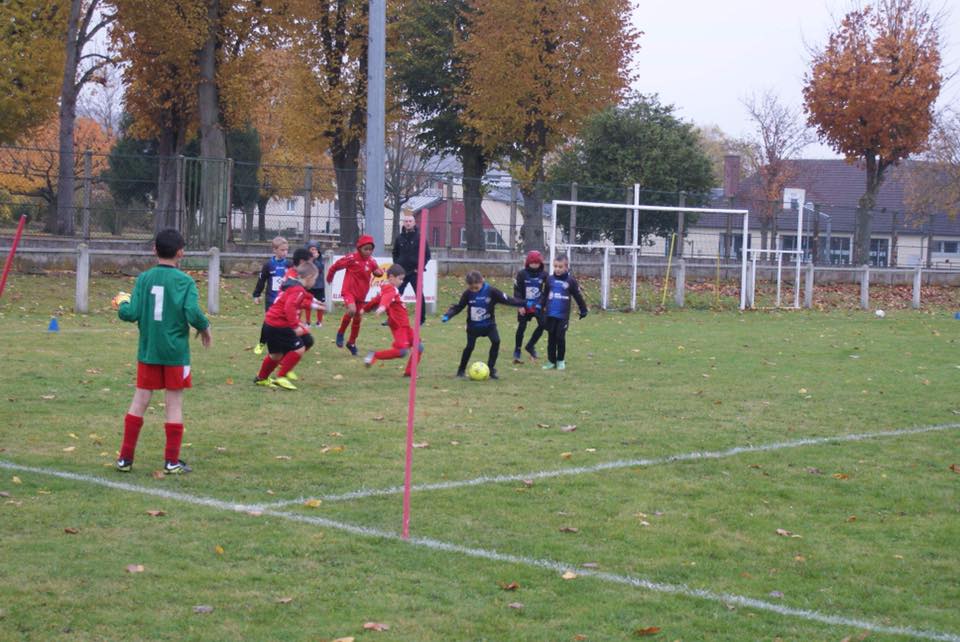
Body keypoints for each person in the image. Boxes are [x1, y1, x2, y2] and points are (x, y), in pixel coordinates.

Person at [114, 229, 212, 475]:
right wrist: (204, 327)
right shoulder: (185, 282)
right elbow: (192, 312)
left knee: (140, 400)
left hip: (149, 351)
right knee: (174, 403)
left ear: (154, 250)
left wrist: (122, 303)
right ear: (181, 252)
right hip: (176, 354)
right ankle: (171, 461)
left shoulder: (144, 279)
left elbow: (131, 313)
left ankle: (125, 459)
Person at [442, 270, 524, 380]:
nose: (474, 290)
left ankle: (491, 369)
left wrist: (525, 303)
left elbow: (508, 300)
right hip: (473, 326)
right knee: (469, 347)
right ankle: (461, 371)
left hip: (489, 325)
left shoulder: (491, 291)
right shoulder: (467, 294)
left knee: (496, 341)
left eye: (476, 287)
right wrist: (448, 315)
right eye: (471, 288)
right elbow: (459, 307)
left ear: (482, 281)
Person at [254, 262, 320, 391]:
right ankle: (281, 376)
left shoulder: (292, 285)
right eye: (315, 279)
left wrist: (314, 304)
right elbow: (289, 307)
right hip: (280, 324)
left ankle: (261, 378)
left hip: (270, 322)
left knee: (276, 355)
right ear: (309, 277)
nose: (315, 282)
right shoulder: (298, 290)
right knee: (299, 348)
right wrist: (295, 326)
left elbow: (293, 302)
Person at [326, 235, 383, 355]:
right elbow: (335, 266)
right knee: (352, 310)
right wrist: (329, 277)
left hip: (361, 294)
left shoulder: (372, 261)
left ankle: (351, 342)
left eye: (370, 249)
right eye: (365, 249)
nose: (368, 252)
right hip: (349, 291)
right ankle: (341, 332)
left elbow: (376, 271)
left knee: (358, 317)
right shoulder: (351, 258)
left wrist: (379, 273)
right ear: (359, 248)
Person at [362, 264, 423, 376]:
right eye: (400, 279)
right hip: (399, 327)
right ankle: (374, 355)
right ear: (391, 277)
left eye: (402, 279)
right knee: (402, 351)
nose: (402, 282)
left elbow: (376, 299)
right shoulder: (389, 288)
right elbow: (386, 298)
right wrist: (383, 307)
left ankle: (410, 372)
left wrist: (364, 309)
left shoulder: (389, 288)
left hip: (406, 326)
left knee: (419, 347)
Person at [539, 254, 588, 371]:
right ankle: (551, 361)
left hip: (563, 316)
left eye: (560, 267)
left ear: (566, 267)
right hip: (550, 314)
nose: (557, 269)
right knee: (551, 339)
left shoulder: (571, 281)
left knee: (560, 338)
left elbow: (578, 296)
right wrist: (540, 306)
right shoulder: (549, 279)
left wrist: (583, 309)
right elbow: (545, 295)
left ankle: (560, 360)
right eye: (555, 266)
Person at [252, 236, 291, 355]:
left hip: (286, 300)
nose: (285, 252)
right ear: (274, 250)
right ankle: (261, 343)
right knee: (269, 323)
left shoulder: (289, 264)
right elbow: (261, 281)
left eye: (286, 250)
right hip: (272, 300)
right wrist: (256, 294)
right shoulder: (268, 265)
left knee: (287, 323)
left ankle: (286, 346)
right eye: (282, 250)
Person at [391, 210, 431, 325]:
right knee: (395, 295)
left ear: (414, 223)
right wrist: (397, 265)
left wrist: (420, 267)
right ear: (403, 223)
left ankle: (421, 319)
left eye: (410, 221)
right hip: (401, 273)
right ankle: (392, 318)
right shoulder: (399, 238)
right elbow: (395, 253)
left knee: (419, 296)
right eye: (406, 221)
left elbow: (427, 255)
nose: (408, 223)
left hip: (415, 272)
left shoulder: (420, 237)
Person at [513, 250, 547, 363]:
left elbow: (547, 290)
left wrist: (544, 304)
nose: (535, 265)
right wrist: (520, 305)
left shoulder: (544, 275)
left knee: (543, 324)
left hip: (538, 306)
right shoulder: (522, 274)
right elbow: (517, 291)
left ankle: (530, 345)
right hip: (524, 305)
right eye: (532, 263)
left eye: (537, 263)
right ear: (528, 263)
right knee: (522, 327)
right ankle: (517, 349)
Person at [306, 241, 325, 327]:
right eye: (312, 249)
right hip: (309, 285)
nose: (313, 251)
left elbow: (320, 268)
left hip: (319, 286)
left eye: (315, 249)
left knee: (320, 303)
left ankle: (319, 322)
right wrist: (312, 259)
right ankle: (308, 322)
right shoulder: (306, 259)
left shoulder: (320, 260)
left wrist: (315, 259)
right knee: (308, 303)